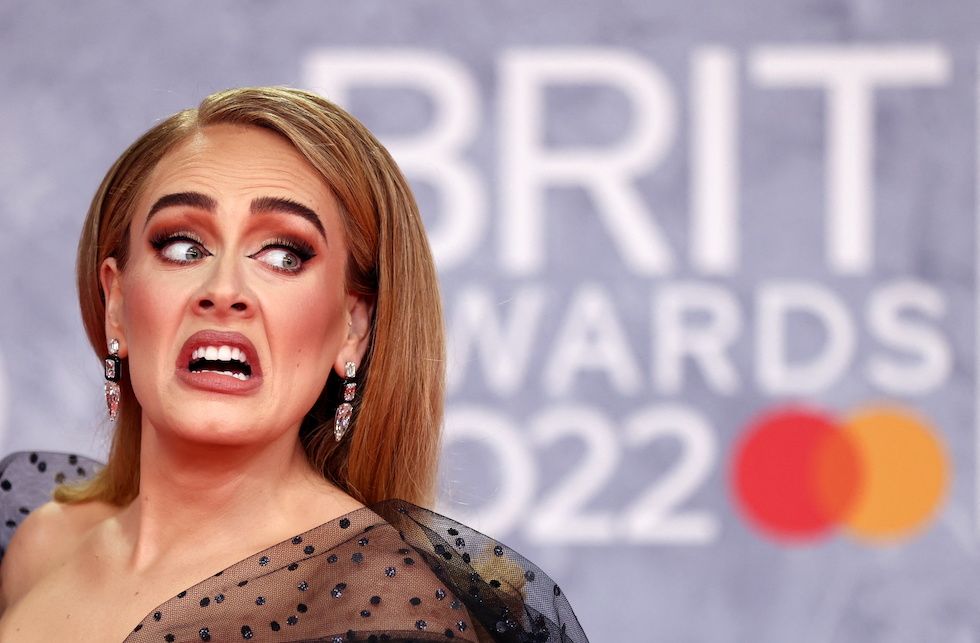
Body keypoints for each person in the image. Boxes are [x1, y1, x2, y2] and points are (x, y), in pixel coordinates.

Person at [0, 87, 589, 642]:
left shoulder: (386, 613)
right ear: (117, 305)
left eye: (284, 254)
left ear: (353, 328)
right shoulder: (44, 545)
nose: (224, 288)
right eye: (183, 246)